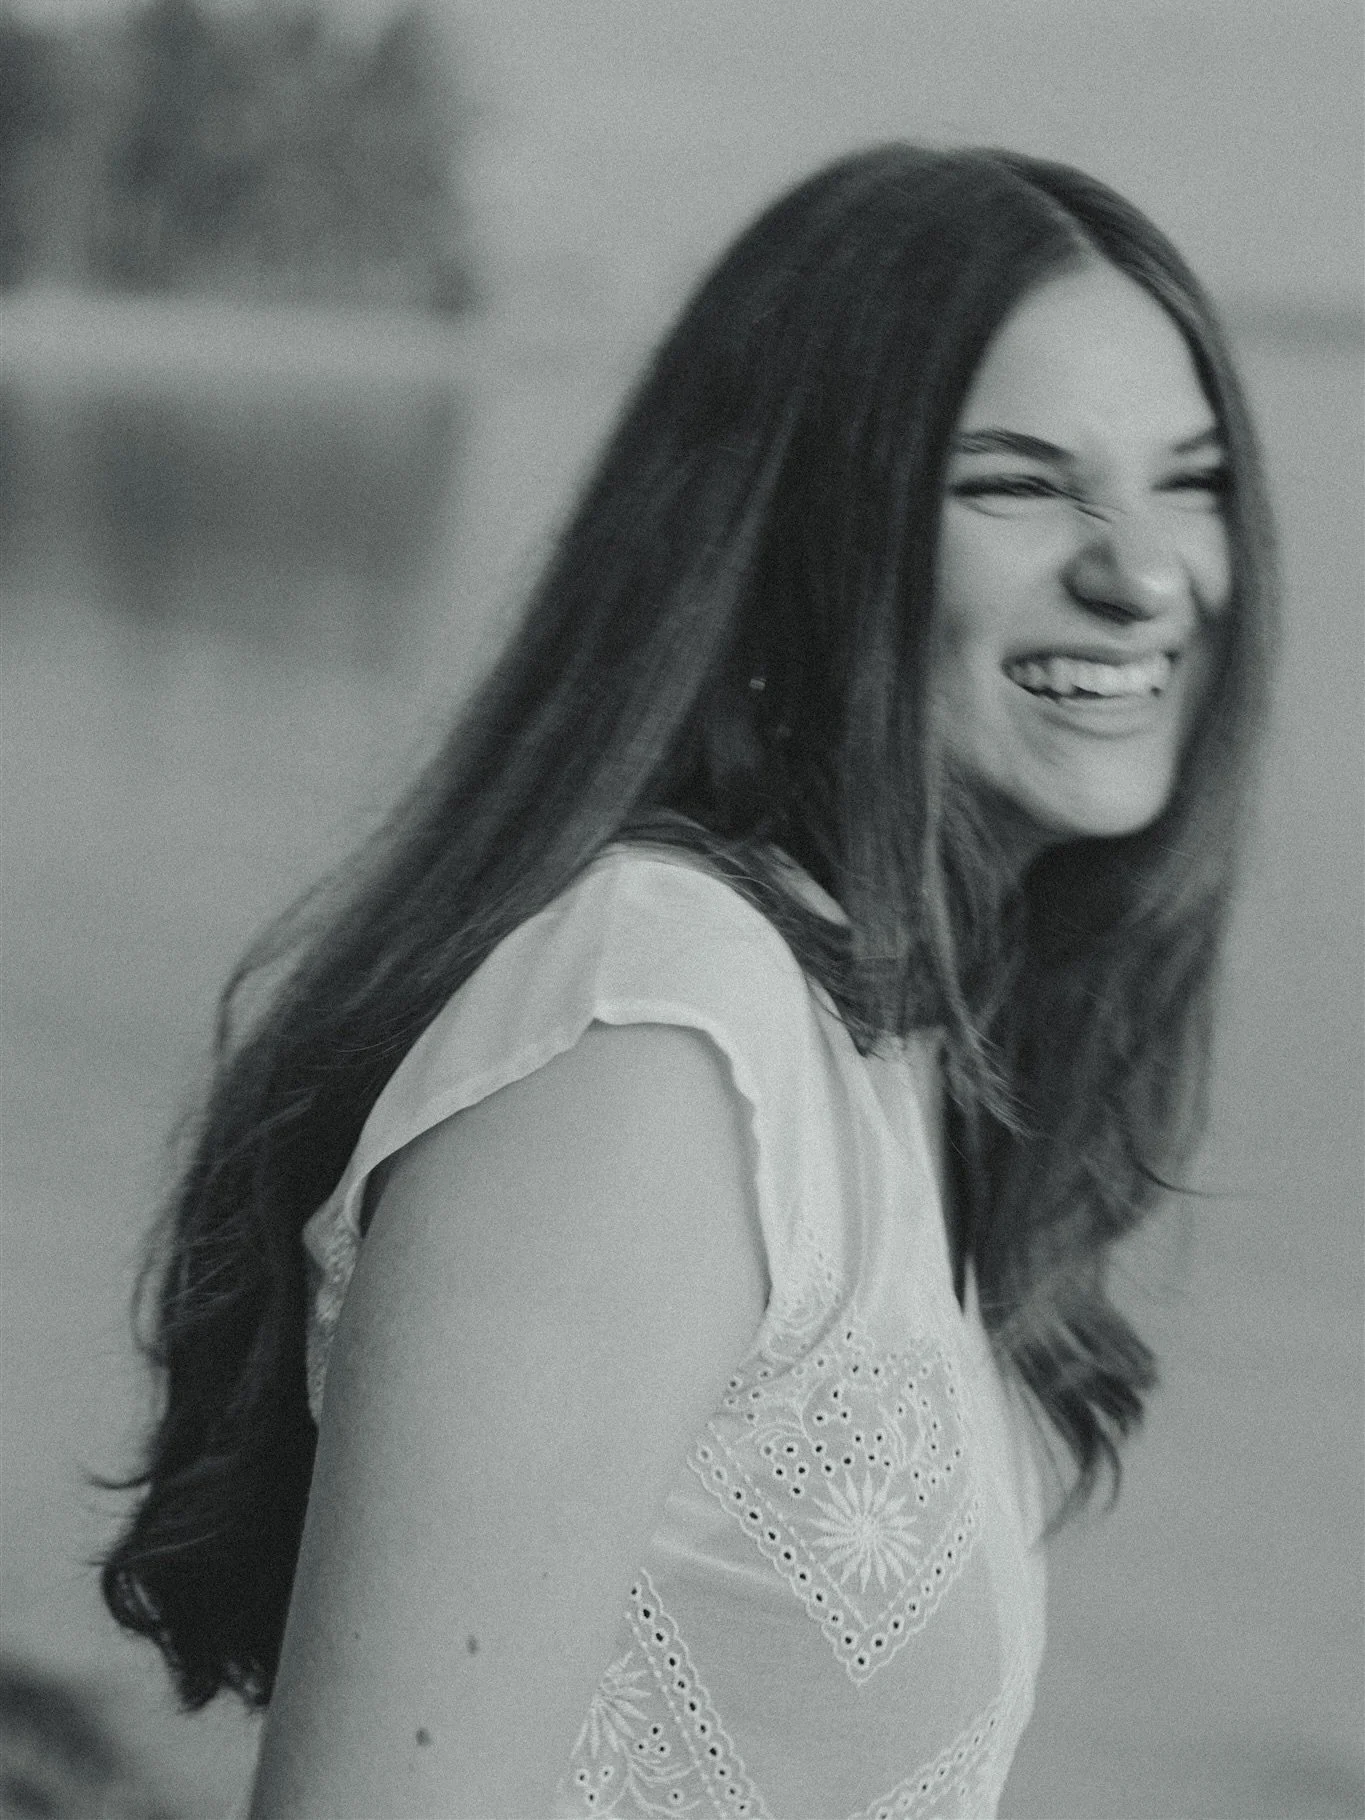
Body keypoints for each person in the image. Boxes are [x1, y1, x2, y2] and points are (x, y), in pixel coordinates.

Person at [99, 144, 1276, 1818]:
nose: (1146, 572)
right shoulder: (653, 1042)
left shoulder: (873, 1037)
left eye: (1194, 480)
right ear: (806, 532)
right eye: (1016, 483)